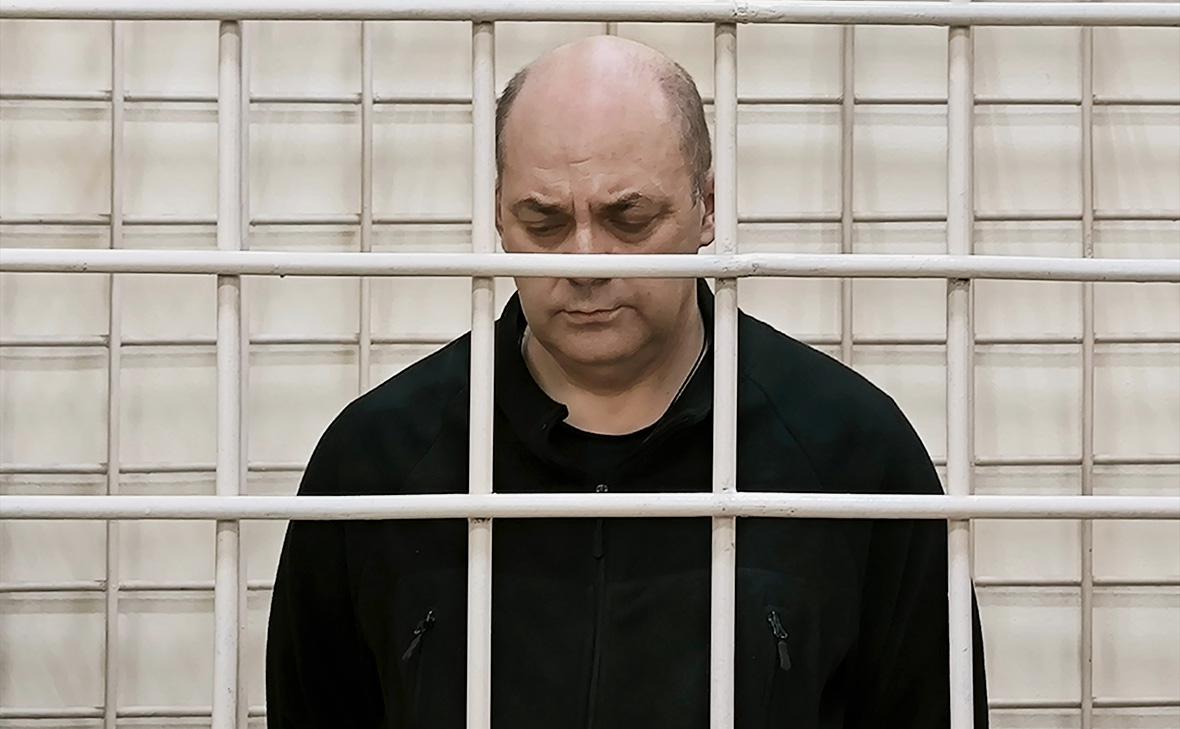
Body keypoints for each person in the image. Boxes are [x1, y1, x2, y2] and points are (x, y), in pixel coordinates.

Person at [266, 35, 989, 728]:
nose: (585, 261)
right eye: (543, 222)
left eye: (630, 218)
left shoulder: (852, 455)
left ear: (707, 207)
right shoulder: (378, 459)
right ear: (498, 217)